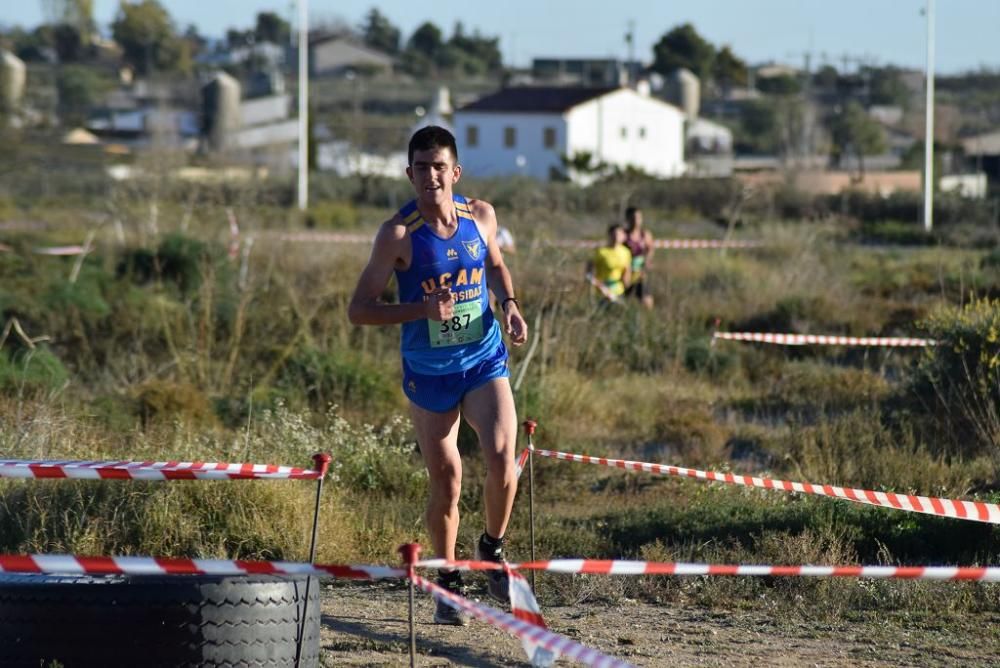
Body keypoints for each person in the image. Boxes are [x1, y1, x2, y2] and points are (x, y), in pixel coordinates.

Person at [348, 126, 528, 626]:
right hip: (429, 373)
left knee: (502, 459)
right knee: (447, 482)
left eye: (438, 166)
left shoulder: (482, 216)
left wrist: (510, 305)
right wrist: (422, 309)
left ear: (455, 172)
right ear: (410, 174)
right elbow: (359, 310)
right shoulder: (398, 235)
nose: (430, 175)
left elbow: (493, 264)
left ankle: (491, 548)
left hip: (483, 358)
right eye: (421, 167)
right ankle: (448, 581)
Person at [585, 223, 632, 302]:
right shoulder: (600, 251)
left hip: (619, 291)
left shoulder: (626, 252)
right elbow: (588, 274)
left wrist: (628, 290)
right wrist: (599, 286)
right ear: (609, 235)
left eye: (619, 234)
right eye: (614, 234)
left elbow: (626, 272)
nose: (616, 237)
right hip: (602, 292)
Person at [623, 206, 654, 309]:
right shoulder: (623, 235)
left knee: (647, 301)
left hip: (640, 273)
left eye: (639, 218)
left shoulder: (645, 234)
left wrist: (647, 260)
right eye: (633, 218)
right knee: (624, 301)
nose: (636, 221)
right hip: (625, 273)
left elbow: (650, 249)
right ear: (627, 219)